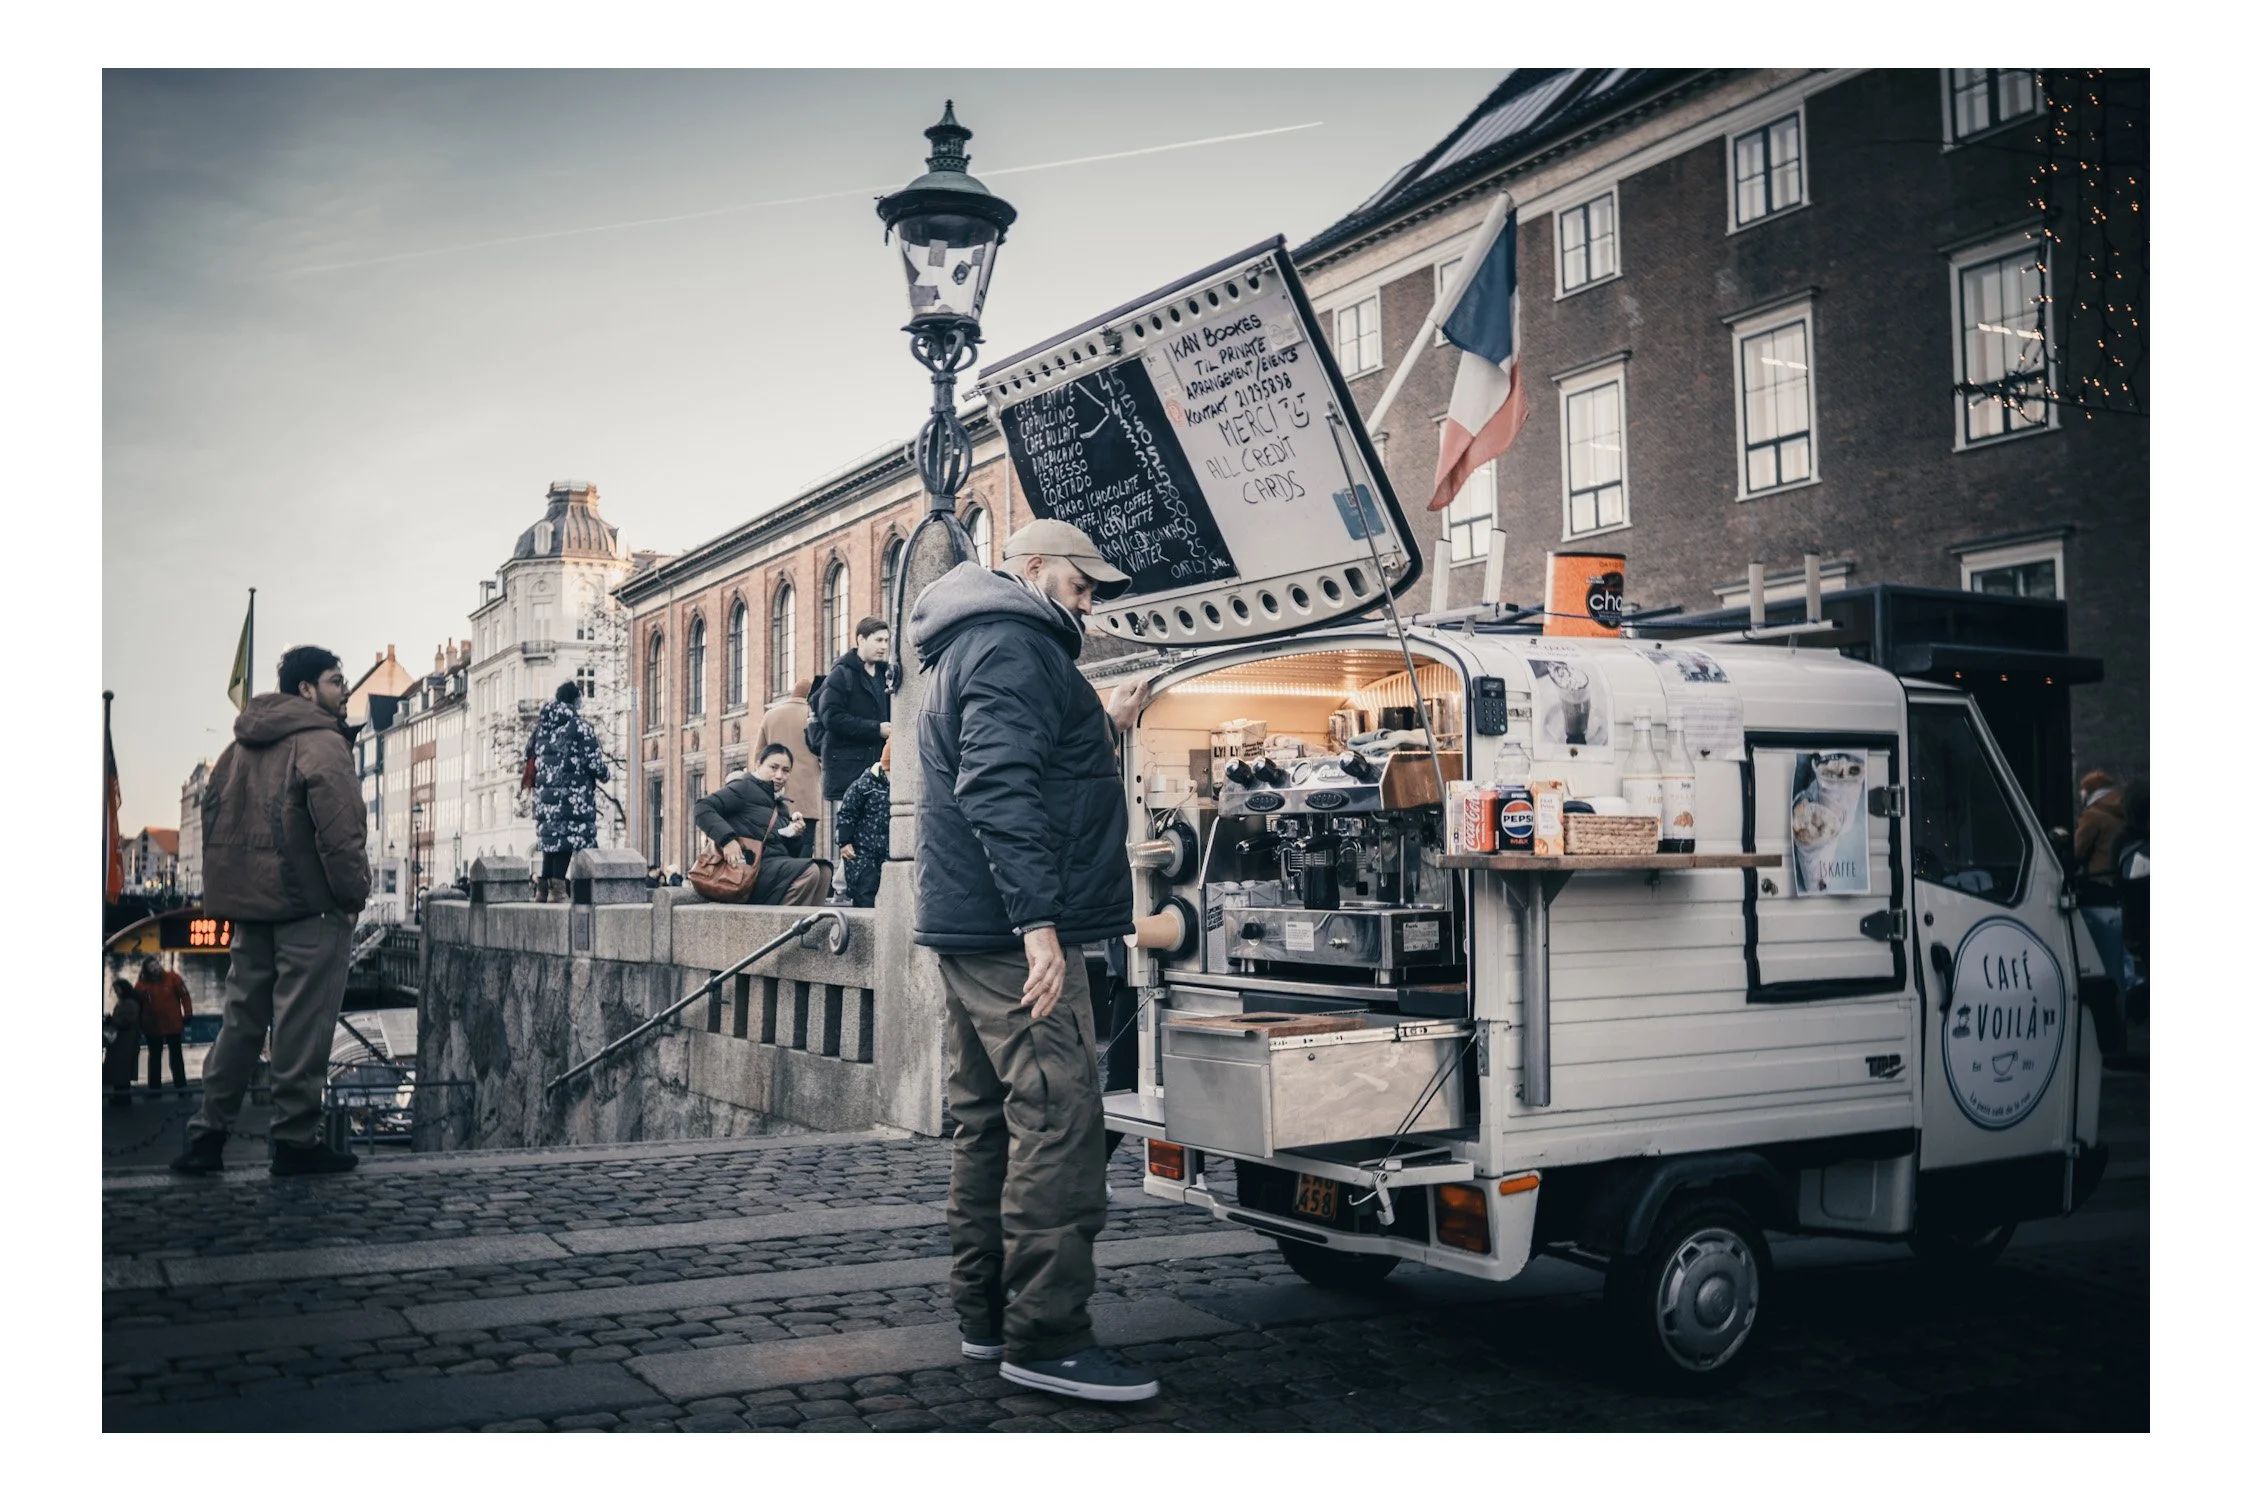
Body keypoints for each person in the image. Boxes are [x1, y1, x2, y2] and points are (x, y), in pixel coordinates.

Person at [909, 516, 1157, 1404]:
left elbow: (1021, 754)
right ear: (1035, 568)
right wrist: (1040, 923)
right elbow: (998, 779)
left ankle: (984, 1318)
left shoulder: (975, 642)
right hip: (1014, 935)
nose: (1089, 604)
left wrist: (1101, 714)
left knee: (985, 1120)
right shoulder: (1015, 645)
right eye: (1083, 586)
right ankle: (1048, 1336)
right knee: (1059, 1117)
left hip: (969, 924)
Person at [172, 645, 370, 1177]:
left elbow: (216, 824)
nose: (344, 690)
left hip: (252, 908)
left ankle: (207, 1135)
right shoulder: (323, 743)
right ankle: (293, 1139)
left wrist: (231, 896)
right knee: (302, 1025)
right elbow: (341, 834)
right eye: (335, 681)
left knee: (240, 1021)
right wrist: (352, 897)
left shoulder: (241, 747)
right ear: (306, 690)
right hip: (309, 907)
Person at [692, 744, 831, 906]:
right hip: (748, 869)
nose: (779, 775)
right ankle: (784, 924)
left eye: (786, 770)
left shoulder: (781, 806)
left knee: (824, 870)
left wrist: (794, 835)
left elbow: (790, 855)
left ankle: (808, 926)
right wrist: (728, 841)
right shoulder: (743, 788)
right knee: (810, 871)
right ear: (758, 765)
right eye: (773, 767)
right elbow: (702, 808)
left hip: (774, 868)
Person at [525, 680, 610, 902]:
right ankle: (558, 891)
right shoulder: (578, 726)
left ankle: (542, 890)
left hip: (545, 797)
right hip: (572, 794)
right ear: (575, 700)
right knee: (566, 841)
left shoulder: (542, 727)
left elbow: (529, 754)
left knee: (551, 842)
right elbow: (593, 762)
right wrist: (604, 774)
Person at [818, 616, 893, 838]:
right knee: (850, 837)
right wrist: (875, 729)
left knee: (876, 835)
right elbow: (831, 717)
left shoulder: (885, 675)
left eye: (886, 641)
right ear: (861, 639)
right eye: (878, 640)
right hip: (848, 770)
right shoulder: (841, 674)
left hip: (877, 767)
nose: (883, 646)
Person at [2074, 768, 2134, 992]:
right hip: (2121, 884)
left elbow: (2077, 851)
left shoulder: (2093, 815)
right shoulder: (2123, 812)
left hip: (2097, 885)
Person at [756, 678, 824, 854]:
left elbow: (758, 758)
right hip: (807, 800)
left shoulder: (770, 715)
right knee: (804, 850)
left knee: (775, 848)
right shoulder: (816, 715)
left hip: (774, 800)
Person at [834, 738, 892, 909]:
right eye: (890, 773)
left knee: (887, 893)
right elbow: (847, 813)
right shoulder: (865, 785)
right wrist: (844, 841)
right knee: (865, 890)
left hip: (886, 852)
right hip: (861, 852)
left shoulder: (898, 788)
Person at [136, 956, 193, 1091]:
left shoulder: (173, 978)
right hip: (152, 1027)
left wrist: (188, 1013)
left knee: (176, 1058)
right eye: (152, 966)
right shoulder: (141, 985)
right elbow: (137, 1005)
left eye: (156, 964)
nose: (155, 967)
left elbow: (185, 996)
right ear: (147, 970)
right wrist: (139, 1025)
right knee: (154, 1058)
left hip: (173, 1025)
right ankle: (154, 1089)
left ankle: (181, 1088)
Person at [104, 976, 144, 1106]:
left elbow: (128, 1021)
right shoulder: (127, 1002)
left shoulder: (130, 1004)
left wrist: (112, 1021)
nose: (116, 992)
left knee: (121, 1070)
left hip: (125, 1040)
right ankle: (121, 1097)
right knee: (121, 1071)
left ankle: (122, 1098)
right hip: (122, 1040)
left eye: (117, 989)